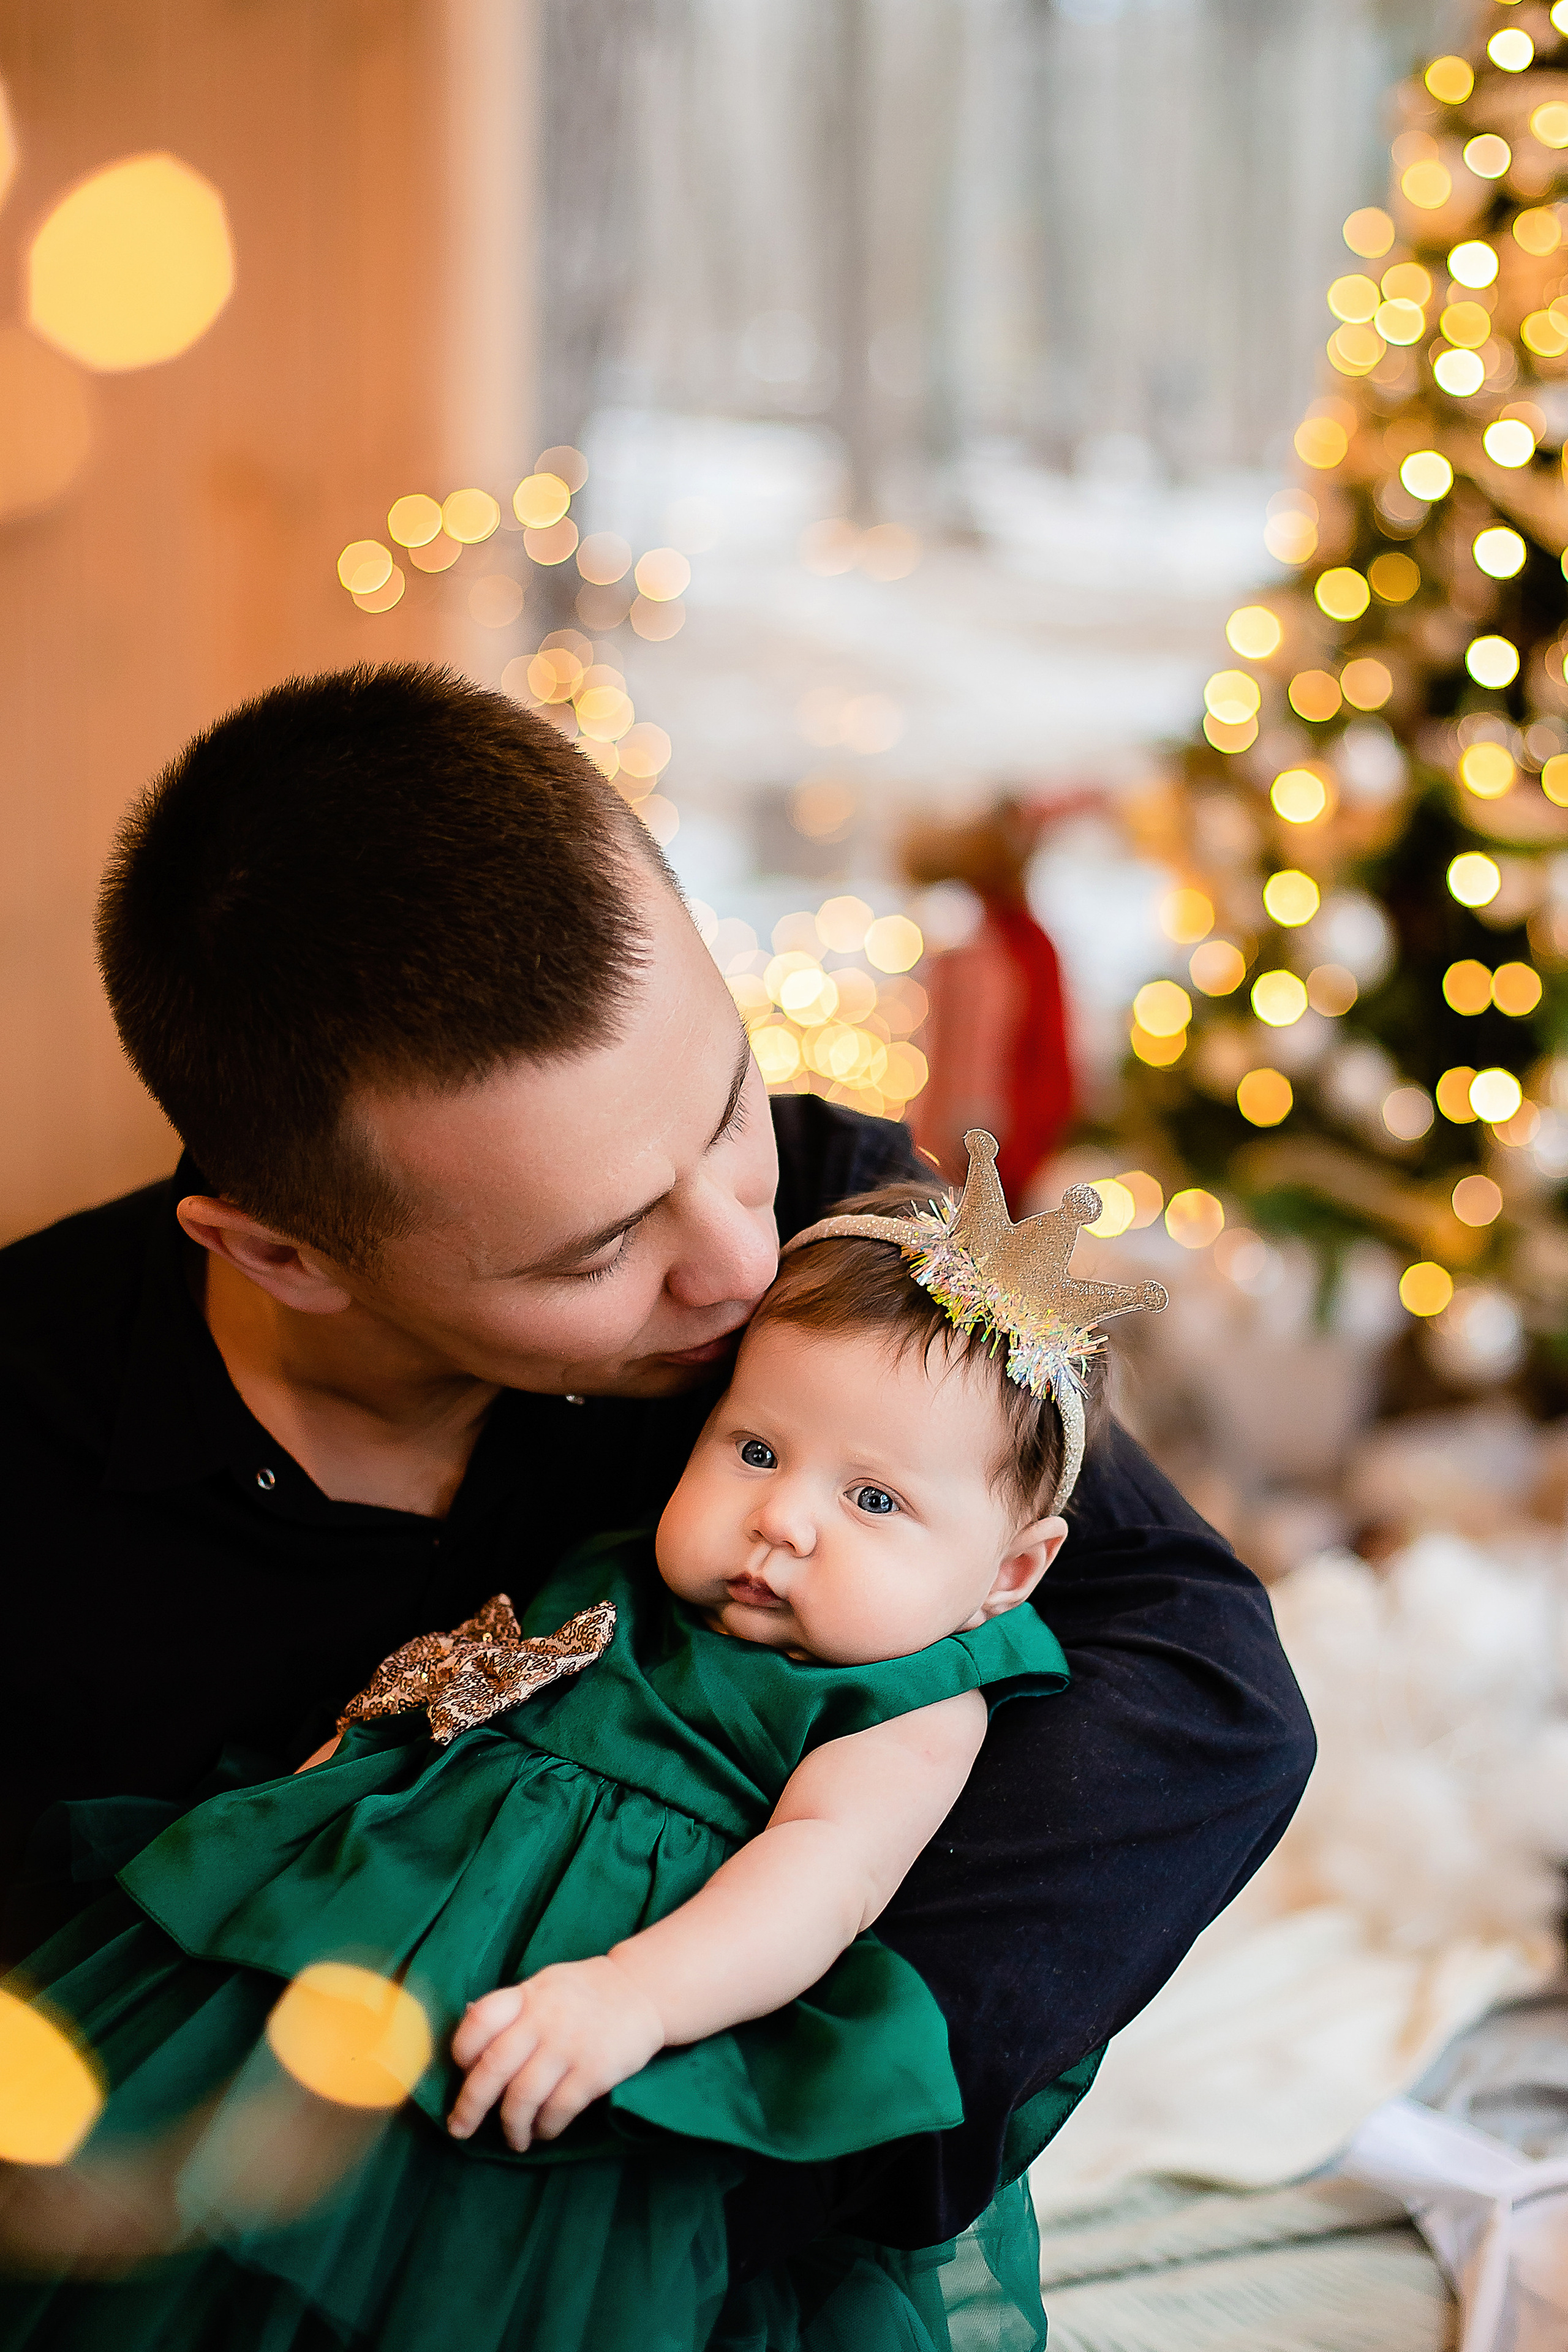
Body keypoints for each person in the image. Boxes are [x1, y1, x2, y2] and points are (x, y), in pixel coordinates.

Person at [0, 665, 1314, 2274]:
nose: (740, 1259)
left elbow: (1199, 1677)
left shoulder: (836, 1235)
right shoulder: (38, 1456)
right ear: (284, 1256)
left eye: (728, 1106)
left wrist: (785, 2138)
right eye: (604, 1246)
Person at [0, 1145, 1163, 2349]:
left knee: (473, 2274)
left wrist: (634, 2000)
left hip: (580, 2016)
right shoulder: (619, 1568)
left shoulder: (909, 1701)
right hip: (369, 1924)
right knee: (185, 2188)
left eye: (873, 1501)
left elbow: (823, 1878)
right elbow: (460, 1681)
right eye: (756, 1450)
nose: (784, 1518)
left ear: (1008, 1575)